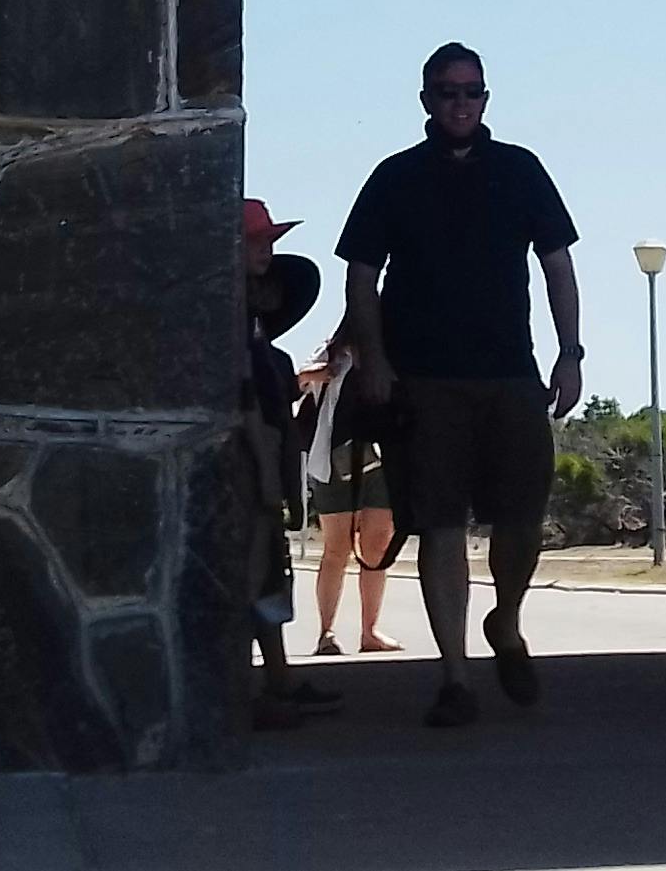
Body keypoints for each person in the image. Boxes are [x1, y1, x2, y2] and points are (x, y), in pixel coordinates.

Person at [337, 41, 583, 730]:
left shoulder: (520, 169)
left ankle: (506, 619)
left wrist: (570, 353)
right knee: (441, 526)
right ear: (426, 99)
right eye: (448, 92)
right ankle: (455, 676)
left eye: (472, 91)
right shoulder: (395, 177)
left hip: (510, 373)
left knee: (522, 520)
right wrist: (374, 360)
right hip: (425, 380)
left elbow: (558, 264)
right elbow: (361, 275)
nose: (461, 103)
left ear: (486, 97)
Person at [237, 201, 337, 730]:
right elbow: (248, 407)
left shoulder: (261, 344)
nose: (265, 252)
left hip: (266, 464)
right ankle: (244, 689)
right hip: (247, 469)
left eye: (267, 243)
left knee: (267, 573)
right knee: (250, 573)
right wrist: (266, 477)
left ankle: (277, 678)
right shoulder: (231, 338)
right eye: (254, 242)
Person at [297, 327, 403, 655]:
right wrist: (314, 375)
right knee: (336, 548)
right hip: (332, 460)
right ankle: (326, 632)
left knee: (377, 547)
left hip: (383, 459)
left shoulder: (394, 350)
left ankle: (370, 631)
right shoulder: (332, 352)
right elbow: (296, 383)